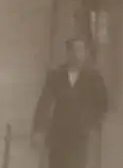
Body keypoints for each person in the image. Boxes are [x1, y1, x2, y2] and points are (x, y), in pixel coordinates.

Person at [31, 37, 108, 168]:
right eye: (74, 50)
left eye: (81, 50)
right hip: (57, 136)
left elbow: (102, 104)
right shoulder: (56, 76)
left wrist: (90, 122)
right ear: (68, 53)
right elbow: (44, 103)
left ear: (85, 53)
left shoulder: (93, 78)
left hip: (79, 137)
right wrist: (38, 129)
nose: (78, 55)